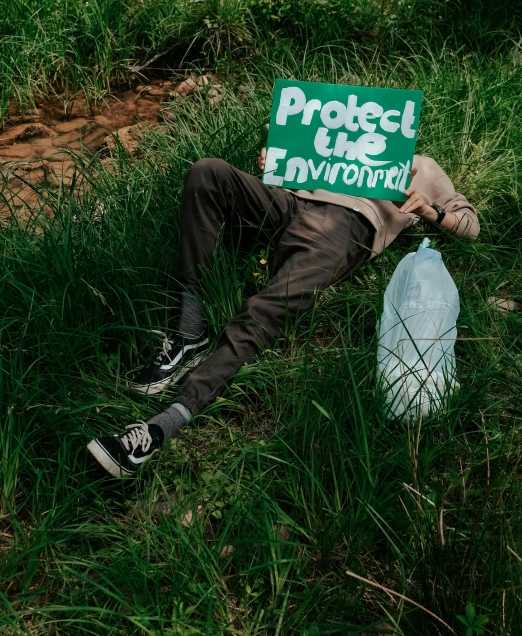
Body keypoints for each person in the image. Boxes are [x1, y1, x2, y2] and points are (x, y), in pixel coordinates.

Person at [87, 131, 479, 478]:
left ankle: (165, 423)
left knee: (264, 309)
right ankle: (189, 333)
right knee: (207, 171)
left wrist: (430, 210)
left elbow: (470, 225)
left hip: (346, 226)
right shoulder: (336, 141)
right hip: (287, 204)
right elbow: (282, 173)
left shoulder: (423, 166)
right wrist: (277, 165)